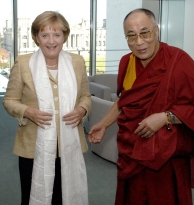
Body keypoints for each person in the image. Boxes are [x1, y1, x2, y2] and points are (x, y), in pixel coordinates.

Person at [88, 8, 194, 205]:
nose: (139, 42)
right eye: (131, 36)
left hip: (166, 157)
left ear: (156, 31)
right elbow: (125, 101)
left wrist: (166, 117)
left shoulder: (178, 61)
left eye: (144, 33)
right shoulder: (126, 62)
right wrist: (103, 124)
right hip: (132, 152)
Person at [3, 11, 91, 205]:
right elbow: (9, 100)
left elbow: (85, 96)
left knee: (64, 196)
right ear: (36, 38)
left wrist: (82, 110)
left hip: (69, 145)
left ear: (65, 37)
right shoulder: (23, 63)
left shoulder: (77, 63)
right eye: (45, 35)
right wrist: (27, 111)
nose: (51, 41)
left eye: (57, 35)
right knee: (33, 196)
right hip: (33, 147)